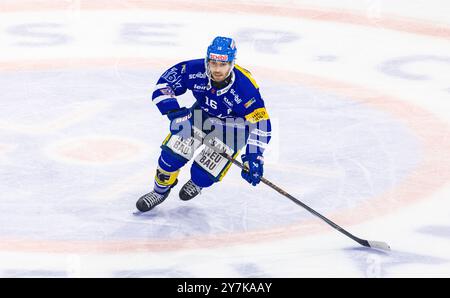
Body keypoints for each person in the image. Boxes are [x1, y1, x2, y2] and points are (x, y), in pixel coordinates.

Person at [136, 36, 272, 212]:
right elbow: (163, 85)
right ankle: (159, 191)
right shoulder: (195, 69)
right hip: (201, 115)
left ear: (232, 63)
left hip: (234, 128)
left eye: (222, 65)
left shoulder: (245, 88)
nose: (217, 69)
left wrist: (254, 156)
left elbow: (262, 123)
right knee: (170, 159)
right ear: (208, 60)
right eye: (213, 63)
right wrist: (174, 113)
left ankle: (198, 183)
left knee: (203, 176)